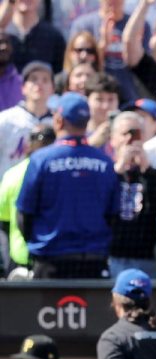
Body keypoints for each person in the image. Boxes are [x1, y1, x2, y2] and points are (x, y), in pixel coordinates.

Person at [17, 92, 118, 279]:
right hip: (93, 262)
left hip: (50, 261)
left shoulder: (41, 160)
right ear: (86, 121)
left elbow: (24, 214)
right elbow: (113, 215)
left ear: (59, 120)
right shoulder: (105, 162)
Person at [109, 110, 156, 278]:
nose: (129, 139)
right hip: (111, 255)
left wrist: (146, 167)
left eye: (136, 133)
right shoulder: (107, 172)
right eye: (125, 133)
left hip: (144, 256)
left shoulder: (149, 174)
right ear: (113, 139)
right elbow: (98, 201)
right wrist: (119, 169)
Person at [0, 123, 53, 275]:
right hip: (51, 257)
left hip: (22, 257)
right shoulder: (62, 172)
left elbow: (4, 220)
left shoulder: (13, 175)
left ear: (28, 145)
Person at [0, 60, 53, 179]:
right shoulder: (5, 120)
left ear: (52, 89)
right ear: (23, 88)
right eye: (33, 79)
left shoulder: (59, 123)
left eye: (45, 80)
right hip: (10, 190)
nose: (39, 84)